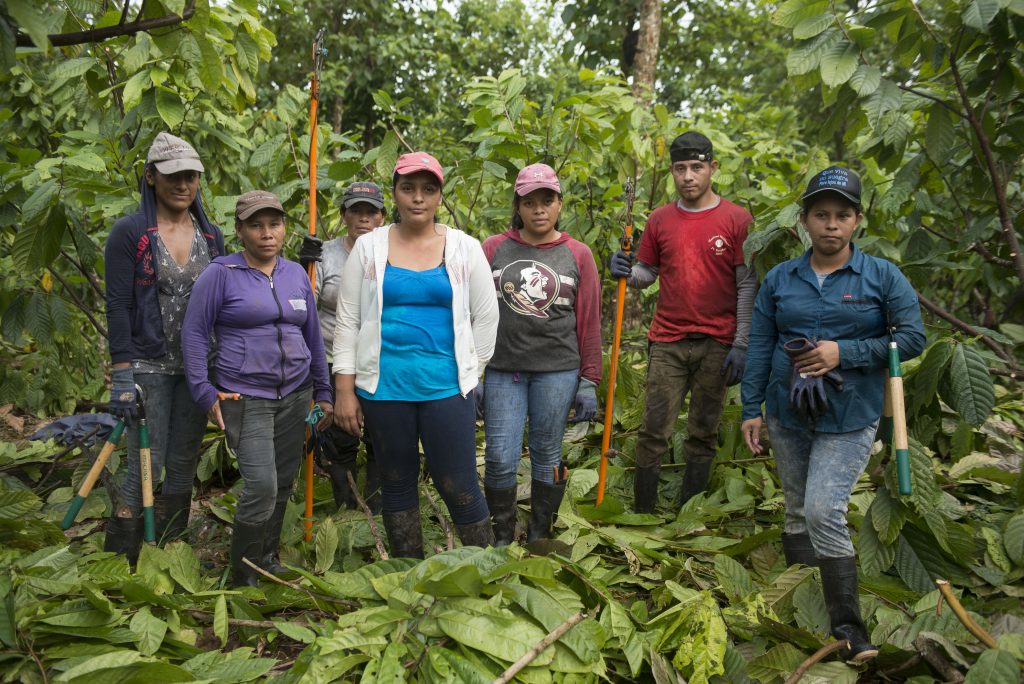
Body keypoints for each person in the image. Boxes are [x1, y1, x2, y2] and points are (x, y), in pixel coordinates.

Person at [740, 166, 925, 663]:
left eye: (842, 215)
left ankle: (849, 631)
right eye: (821, 215)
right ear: (804, 221)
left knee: (825, 510)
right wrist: (750, 407)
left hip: (851, 412)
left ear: (858, 221)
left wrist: (844, 352)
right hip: (785, 411)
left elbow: (911, 338)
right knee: (798, 508)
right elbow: (760, 342)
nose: (831, 225)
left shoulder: (882, 276)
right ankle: (803, 609)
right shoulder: (781, 278)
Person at [333, 152, 499, 558]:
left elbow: (486, 317)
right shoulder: (369, 249)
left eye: (428, 189)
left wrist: (468, 374)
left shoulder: (464, 248)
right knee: (396, 479)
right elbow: (348, 320)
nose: (418, 198)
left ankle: (489, 567)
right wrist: (345, 390)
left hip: (446, 387)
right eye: (408, 188)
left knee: (457, 480)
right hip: (383, 387)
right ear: (395, 193)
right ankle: (408, 572)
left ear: (440, 195)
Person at [181, 190, 333, 587]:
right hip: (246, 396)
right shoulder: (221, 274)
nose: (267, 233)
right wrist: (204, 391)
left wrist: (324, 391)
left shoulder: (296, 274)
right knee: (261, 484)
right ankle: (243, 573)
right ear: (240, 230)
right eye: (256, 225)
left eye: (274, 224)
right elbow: (194, 334)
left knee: (283, 482)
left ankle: (268, 558)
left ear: (284, 228)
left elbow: (313, 337)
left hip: (296, 394)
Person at [609, 131, 756, 512]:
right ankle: (644, 512)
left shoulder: (737, 219)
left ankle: (690, 514)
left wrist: (741, 343)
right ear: (672, 171)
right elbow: (646, 274)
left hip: (717, 343)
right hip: (668, 341)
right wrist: (625, 270)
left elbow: (746, 285)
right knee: (653, 430)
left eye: (696, 167)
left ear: (712, 168)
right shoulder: (660, 220)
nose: (688, 176)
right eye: (680, 169)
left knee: (702, 432)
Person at [103, 132, 224, 564]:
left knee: (182, 462)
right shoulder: (131, 232)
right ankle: (122, 558)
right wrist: (121, 375)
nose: (182, 184)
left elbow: (223, 304)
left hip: (195, 369)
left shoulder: (211, 236)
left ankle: (172, 554)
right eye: (172, 175)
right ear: (151, 177)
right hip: (146, 365)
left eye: (190, 176)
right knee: (145, 464)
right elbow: (117, 304)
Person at [480, 163, 601, 544]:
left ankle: (539, 532)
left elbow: (589, 319)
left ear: (559, 203)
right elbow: (475, 313)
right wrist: (473, 374)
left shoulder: (578, 254)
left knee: (548, 452)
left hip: (558, 370)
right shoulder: (493, 249)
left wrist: (589, 381)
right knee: (500, 456)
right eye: (529, 202)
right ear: (517, 206)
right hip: (502, 370)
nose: (538, 209)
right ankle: (502, 533)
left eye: (547, 200)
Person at [298, 182, 385, 514]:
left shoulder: (394, 253)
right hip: (330, 361)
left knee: (380, 437)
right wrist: (301, 266)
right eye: (356, 211)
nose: (363, 218)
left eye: (371, 212)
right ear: (344, 215)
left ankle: (376, 513)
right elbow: (304, 307)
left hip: (380, 360)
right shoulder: (325, 255)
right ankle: (346, 510)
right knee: (334, 436)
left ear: (382, 217)